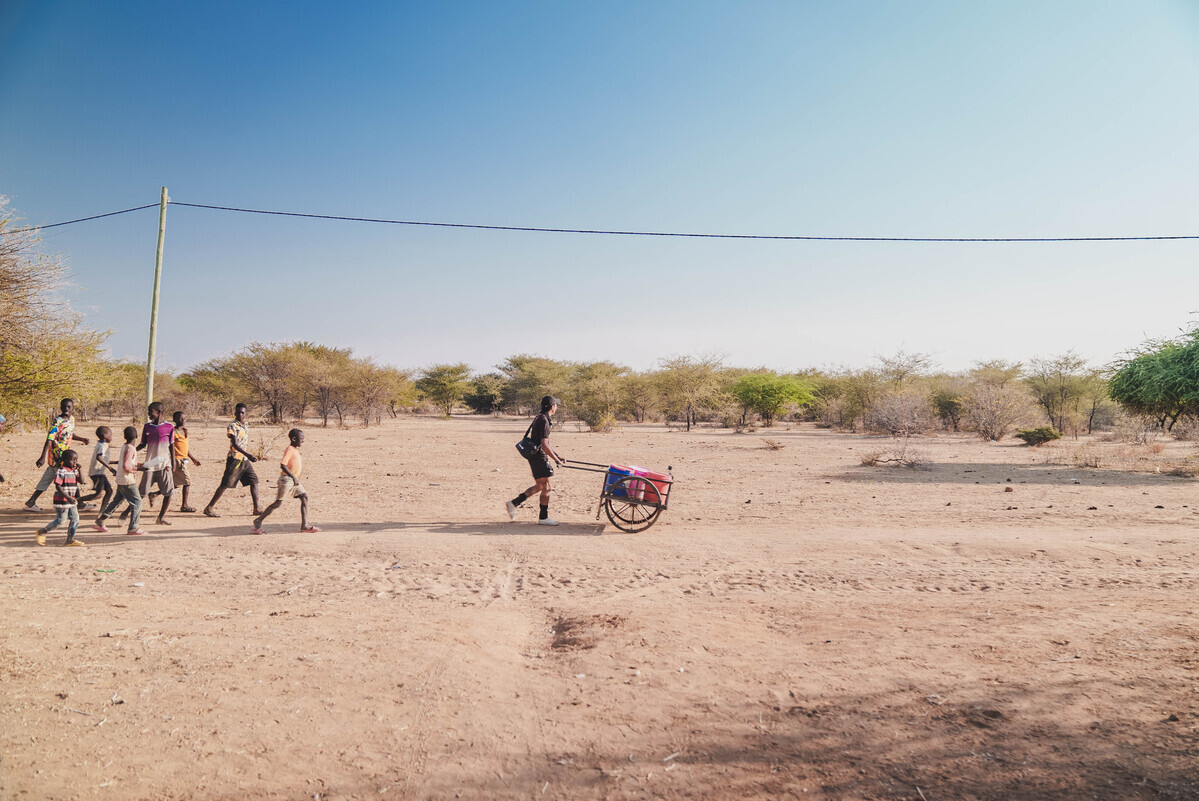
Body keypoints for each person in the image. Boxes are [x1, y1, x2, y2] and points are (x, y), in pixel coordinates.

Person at [506, 395, 566, 526]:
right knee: (547, 487)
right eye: (555, 404)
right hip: (539, 456)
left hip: (535, 456)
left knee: (540, 485)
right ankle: (543, 517)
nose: (556, 407)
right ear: (552, 407)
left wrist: (557, 455)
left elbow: (545, 443)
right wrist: (556, 460)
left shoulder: (540, 417)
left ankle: (514, 503)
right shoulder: (544, 421)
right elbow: (544, 445)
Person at [25, 399, 90, 512]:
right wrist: (43, 457)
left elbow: (69, 433)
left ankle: (31, 501)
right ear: (60, 407)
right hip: (58, 456)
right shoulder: (57, 421)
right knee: (71, 476)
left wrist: (81, 439)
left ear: (73, 408)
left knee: (49, 477)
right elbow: (50, 439)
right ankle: (80, 503)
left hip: (66, 455)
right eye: (64, 406)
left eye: (69, 407)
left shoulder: (72, 419)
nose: (66, 409)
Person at [251, 428, 320, 534]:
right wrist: (293, 477)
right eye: (301, 439)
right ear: (293, 439)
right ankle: (258, 521)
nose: (303, 441)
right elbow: (283, 465)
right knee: (278, 503)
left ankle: (304, 525)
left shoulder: (295, 450)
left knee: (304, 497)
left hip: (294, 480)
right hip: (287, 480)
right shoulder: (290, 450)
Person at [203, 403, 262, 517]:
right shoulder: (232, 426)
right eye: (238, 412)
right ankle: (209, 507)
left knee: (254, 481)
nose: (240, 414)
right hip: (235, 459)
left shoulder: (245, 425)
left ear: (246, 414)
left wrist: (247, 456)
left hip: (244, 460)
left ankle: (256, 508)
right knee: (225, 484)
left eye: (242, 413)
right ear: (234, 413)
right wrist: (248, 454)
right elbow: (234, 444)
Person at [94, 426, 147, 535]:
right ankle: (133, 527)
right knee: (137, 502)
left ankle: (101, 520)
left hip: (122, 479)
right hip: (127, 480)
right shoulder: (131, 448)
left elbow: (128, 462)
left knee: (117, 501)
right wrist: (138, 469)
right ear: (137, 436)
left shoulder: (126, 446)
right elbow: (126, 466)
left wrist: (140, 464)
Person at [150, 411, 201, 513]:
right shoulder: (173, 432)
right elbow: (170, 447)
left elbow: (185, 448)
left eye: (185, 418)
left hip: (183, 460)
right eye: (180, 418)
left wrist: (193, 459)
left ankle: (155, 494)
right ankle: (184, 505)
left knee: (175, 483)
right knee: (187, 481)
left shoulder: (185, 431)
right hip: (176, 460)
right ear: (175, 420)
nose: (183, 420)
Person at [136, 402, 175, 526]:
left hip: (164, 464)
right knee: (141, 493)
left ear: (159, 412)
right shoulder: (147, 427)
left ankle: (161, 517)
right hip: (150, 464)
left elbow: (172, 446)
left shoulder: (169, 427)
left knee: (168, 493)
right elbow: (143, 444)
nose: (148, 414)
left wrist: (173, 463)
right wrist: (131, 450)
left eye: (150, 411)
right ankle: (127, 514)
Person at [35, 449, 85, 547]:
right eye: (72, 460)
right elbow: (58, 486)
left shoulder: (74, 471)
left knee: (75, 519)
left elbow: (82, 481)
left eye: (76, 460)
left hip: (71, 500)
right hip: (62, 500)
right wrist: (67, 497)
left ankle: (70, 539)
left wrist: (80, 470)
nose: (75, 462)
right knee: (60, 521)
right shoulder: (61, 471)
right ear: (64, 460)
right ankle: (42, 531)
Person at [79, 426, 117, 512]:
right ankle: (78, 500)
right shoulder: (102, 445)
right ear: (105, 435)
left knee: (109, 491)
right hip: (97, 473)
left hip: (98, 472)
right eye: (110, 435)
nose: (112, 437)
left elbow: (104, 459)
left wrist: (116, 462)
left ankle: (103, 510)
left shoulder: (101, 444)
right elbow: (99, 457)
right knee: (99, 494)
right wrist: (111, 468)